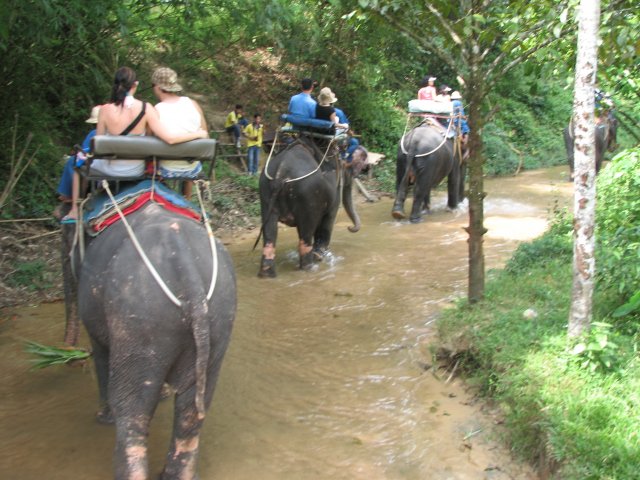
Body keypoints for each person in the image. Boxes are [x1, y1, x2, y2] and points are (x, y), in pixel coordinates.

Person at [62, 66, 207, 221]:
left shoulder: (104, 110)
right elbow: (157, 139)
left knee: (76, 164)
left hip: (110, 169)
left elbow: (99, 146)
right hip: (136, 169)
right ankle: (187, 202)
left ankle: (74, 210)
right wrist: (199, 134)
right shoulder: (146, 108)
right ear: (135, 85)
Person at [151, 66, 208, 197]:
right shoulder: (193, 104)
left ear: (158, 87)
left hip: (166, 168)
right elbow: (205, 133)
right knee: (190, 157)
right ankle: (186, 199)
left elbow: (151, 139)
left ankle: (163, 197)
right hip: (192, 167)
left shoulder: (156, 110)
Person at [55, 106, 100, 221]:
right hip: (109, 164)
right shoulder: (113, 133)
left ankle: (72, 201)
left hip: (94, 166)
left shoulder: (94, 133)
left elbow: (83, 154)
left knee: (73, 162)